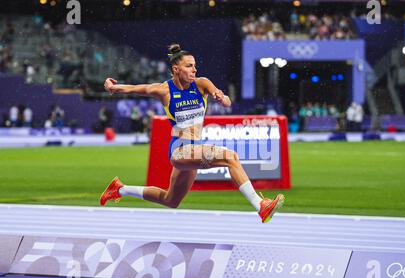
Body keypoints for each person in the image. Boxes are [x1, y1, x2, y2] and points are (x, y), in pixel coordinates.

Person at [100, 43, 284, 223]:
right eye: (189, 66)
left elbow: (226, 101)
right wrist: (112, 86)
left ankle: (119, 189)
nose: (194, 70)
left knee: (171, 200)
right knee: (231, 157)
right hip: (179, 150)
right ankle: (260, 205)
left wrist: (222, 98)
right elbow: (134, 88)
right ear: (176, 69)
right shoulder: (164, 90)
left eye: (195, 66)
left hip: (193, 150)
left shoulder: (201, 84)